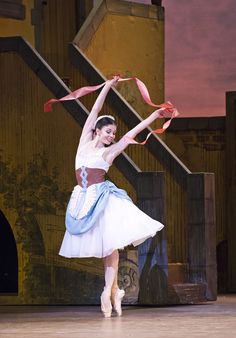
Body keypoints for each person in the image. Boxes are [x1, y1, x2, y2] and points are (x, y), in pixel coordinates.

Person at [59, 76, 165, 317]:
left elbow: (132, 133)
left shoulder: (109, 153)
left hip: (103, 199)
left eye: (113, 133)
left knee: (110, 246)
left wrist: (153, 117)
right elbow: (95, 108)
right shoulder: (83, 142)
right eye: (108, 132)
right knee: (107, 249)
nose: (112, 136)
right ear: (97, 130)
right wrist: (107, 85)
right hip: (83, 200)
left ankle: (107, 291)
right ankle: (115, 291)